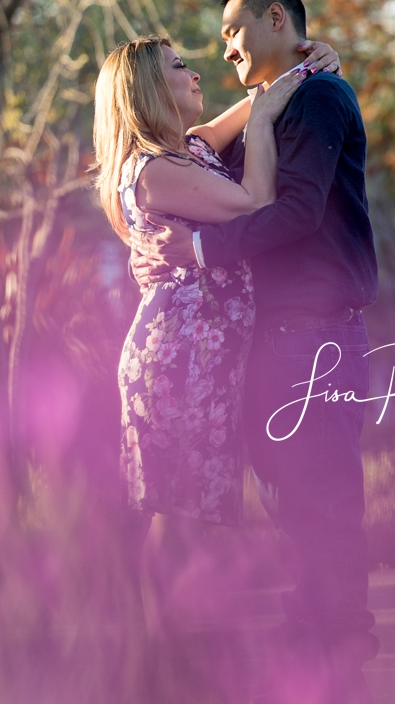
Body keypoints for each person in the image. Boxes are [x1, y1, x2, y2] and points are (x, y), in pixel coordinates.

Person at [129, 0, 380, 684]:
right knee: (289, 505)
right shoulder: (265, 112)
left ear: (276, 18)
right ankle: (309, 656)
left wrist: (204, 252)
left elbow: (294, 211)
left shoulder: (323, 98)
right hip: (263, 346)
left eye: (233, 32)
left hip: (318, 338)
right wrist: (292, 71)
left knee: (324, 500)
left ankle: (345, 654)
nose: (225, 49)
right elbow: (235, 175)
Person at [93, 32, 333, 631]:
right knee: (176, 514)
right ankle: (162, 664)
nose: (196, 74)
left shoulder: (190, 150)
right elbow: (256, 199)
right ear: (149, 89)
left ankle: (178, 659)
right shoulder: (154, 171)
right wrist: (272, 108)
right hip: (179, 359)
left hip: (207, 359)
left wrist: (315, 62)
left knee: (194, 512)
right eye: (180, 68)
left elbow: (258, 99)